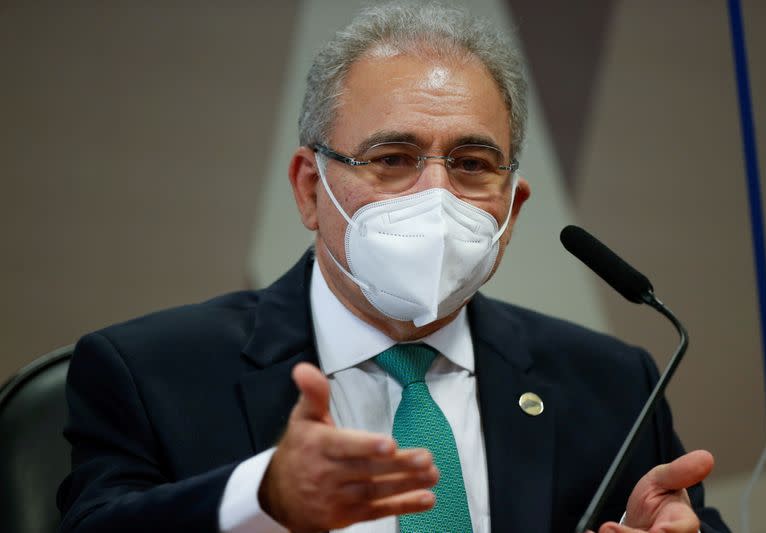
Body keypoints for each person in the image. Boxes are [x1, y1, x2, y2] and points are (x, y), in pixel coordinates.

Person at [57, 4, 729, 533]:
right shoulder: (150, 374)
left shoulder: (612, 383)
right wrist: (262, 500)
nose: (433, 196)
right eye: (392, 158)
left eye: (471, 164)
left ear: (512, 207)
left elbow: (683, 518)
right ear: (309, 190)